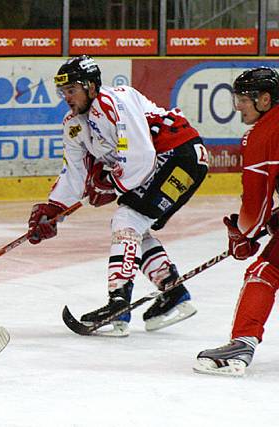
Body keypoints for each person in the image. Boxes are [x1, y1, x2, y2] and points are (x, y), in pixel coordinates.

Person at [29, 55, 209, 336]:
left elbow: (141, 156)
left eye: (71, 90)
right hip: (169, 162)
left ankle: (118, 303)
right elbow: (74, 174)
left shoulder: (115, 101)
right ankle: (174, 294)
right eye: (63, 92)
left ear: (90, 86)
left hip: (180, 155)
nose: (66, 97)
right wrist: (54, 208)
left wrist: (111, 185)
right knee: (134, 227)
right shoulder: (74, 124)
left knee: (127, 218)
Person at [195, 67, 279, 377]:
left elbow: (256, 199)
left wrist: (246, 235)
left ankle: (242, 342)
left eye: (244, 99)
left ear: (265, 99)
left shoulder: (264, 133)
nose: (238, 106)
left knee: (264, 271)